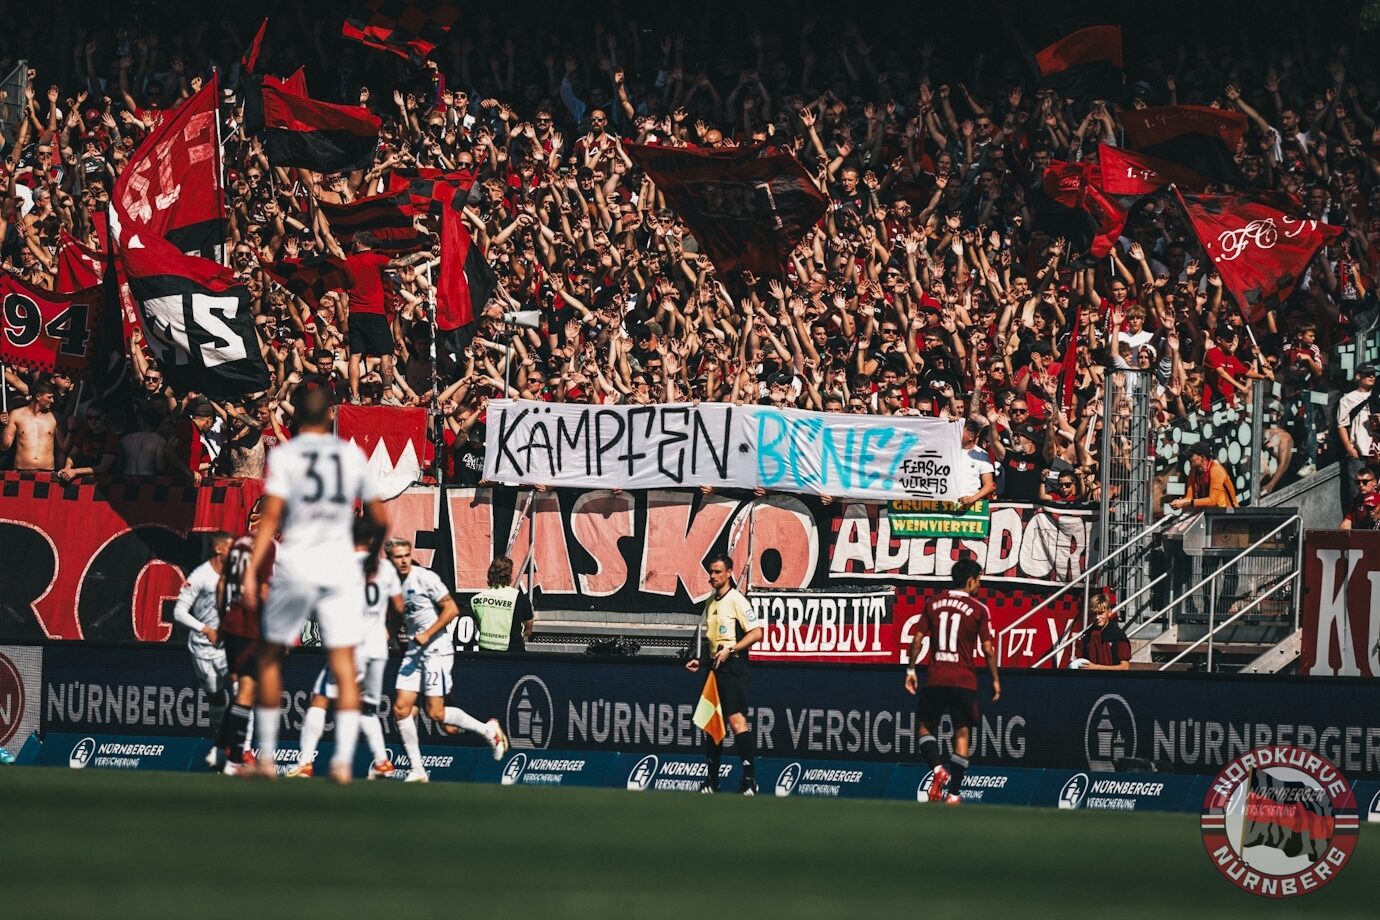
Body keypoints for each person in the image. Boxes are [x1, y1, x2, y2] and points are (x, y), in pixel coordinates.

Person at [240, 385, 389, 784]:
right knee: (342, 662)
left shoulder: (288, 455)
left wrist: (254, 572)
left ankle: (266, 757)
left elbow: (269, 517)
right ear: (328, 417)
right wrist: (371, 559)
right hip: (338, 563)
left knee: (270, 659)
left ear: (295, 420)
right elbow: (381, 520)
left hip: (298, 561)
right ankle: (341, 761)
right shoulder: (350, 455)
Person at [291, 519, 405, 779]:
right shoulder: (385, 567)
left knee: (319, 699)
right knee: (366, 707)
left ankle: (305, 762)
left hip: (351, 645)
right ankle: (383, 761)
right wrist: (389, 630)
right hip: (378, 646)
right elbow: (399, 606)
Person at [388, 537, 508, 782]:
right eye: (396, 558)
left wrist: (428, 633)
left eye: (405, 556)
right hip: (414, 653)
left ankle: (488, 731)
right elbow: (394, 619)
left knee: (436, 714)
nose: (401, 562)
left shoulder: (425, 579)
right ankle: (417, 770)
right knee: (401, 708)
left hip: (436, 650)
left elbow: (452, 609)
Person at [904, 557, 1001, 806]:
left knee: (925, 728)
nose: (979, 585)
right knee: (962, 733)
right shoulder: (979, 609)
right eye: (978, 580)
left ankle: (937, 769)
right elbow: (988, 649)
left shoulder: (933, 603)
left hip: (936, 677)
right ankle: (954, 794)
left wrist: (911, 669)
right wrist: (995, 679)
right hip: (964, 680)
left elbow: (917, 640)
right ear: (970, 581)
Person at [685, 553, 763, 795]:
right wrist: (701, 661)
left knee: (736, 719)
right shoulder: (711, 603)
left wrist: (732, 649)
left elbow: (757, 633)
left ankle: (749, 780)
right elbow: (713, 641)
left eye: (718, 572)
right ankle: (712, 781)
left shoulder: (737, 600)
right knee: (712, 723)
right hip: (716, 668)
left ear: (729, 573)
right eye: (711, 572)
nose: (713, 576)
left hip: (735, 666)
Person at [217, 500, 274, 773]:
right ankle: (238, 754)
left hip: (230, 624)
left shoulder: (239, 545)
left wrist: (221, 619)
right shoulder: (270, 548)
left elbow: (221, 584)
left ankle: (229, 749)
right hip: (251, 628)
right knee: (247, 691)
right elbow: (263, 591)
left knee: (241, 689)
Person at [172, 531, 233, 757]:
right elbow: (179, 612)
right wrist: (205, 629)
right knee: (217, 699)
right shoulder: (200, 576)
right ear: (219, 549)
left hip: (230, 647)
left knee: (243, 691)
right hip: (203, 650)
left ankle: (242, 750)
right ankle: (223, 741)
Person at [471, 554, 534, 652]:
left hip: (485, 653)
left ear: (490, 573)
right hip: (513, 651)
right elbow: (529, 628)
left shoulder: (476, 599)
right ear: (510, 574)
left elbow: (478, 624)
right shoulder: (520, 599)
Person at [1, 380, 60, 470]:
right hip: (21, 472)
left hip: (47, 473)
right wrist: (4, 425)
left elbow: (64, 446)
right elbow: (4, 446)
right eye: (49, 397)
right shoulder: (16, 414)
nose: (52, 401)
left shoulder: (54, 417)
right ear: (38, 396)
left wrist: (71, 430)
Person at [1069, 594, 1132, 671]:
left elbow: (1124, 667)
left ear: (1109, 612)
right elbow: (1081, 660)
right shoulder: (1087, 635)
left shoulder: (1117, 636)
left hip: (1114, 679)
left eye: (1101, 613)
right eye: (1094, 614)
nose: (1097, 617)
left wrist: (1096, 667)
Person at [1170, 444, 1239, 510]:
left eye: (1191, 456)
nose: (1188, 459)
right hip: (1209, 513)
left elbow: (1212, 501)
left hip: (1227, 513)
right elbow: (1189, 497)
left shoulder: (1216, 470)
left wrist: (1187, 503)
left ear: (1202, 457)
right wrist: (1179, 503)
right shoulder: (1193, 471)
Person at [1342, 465, 1380, 529]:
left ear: (1374, 482)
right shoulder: (1356, 500)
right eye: (1357, 482)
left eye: (1365, 482)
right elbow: (1347, 523)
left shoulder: (1378, 498)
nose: (1361, 485)